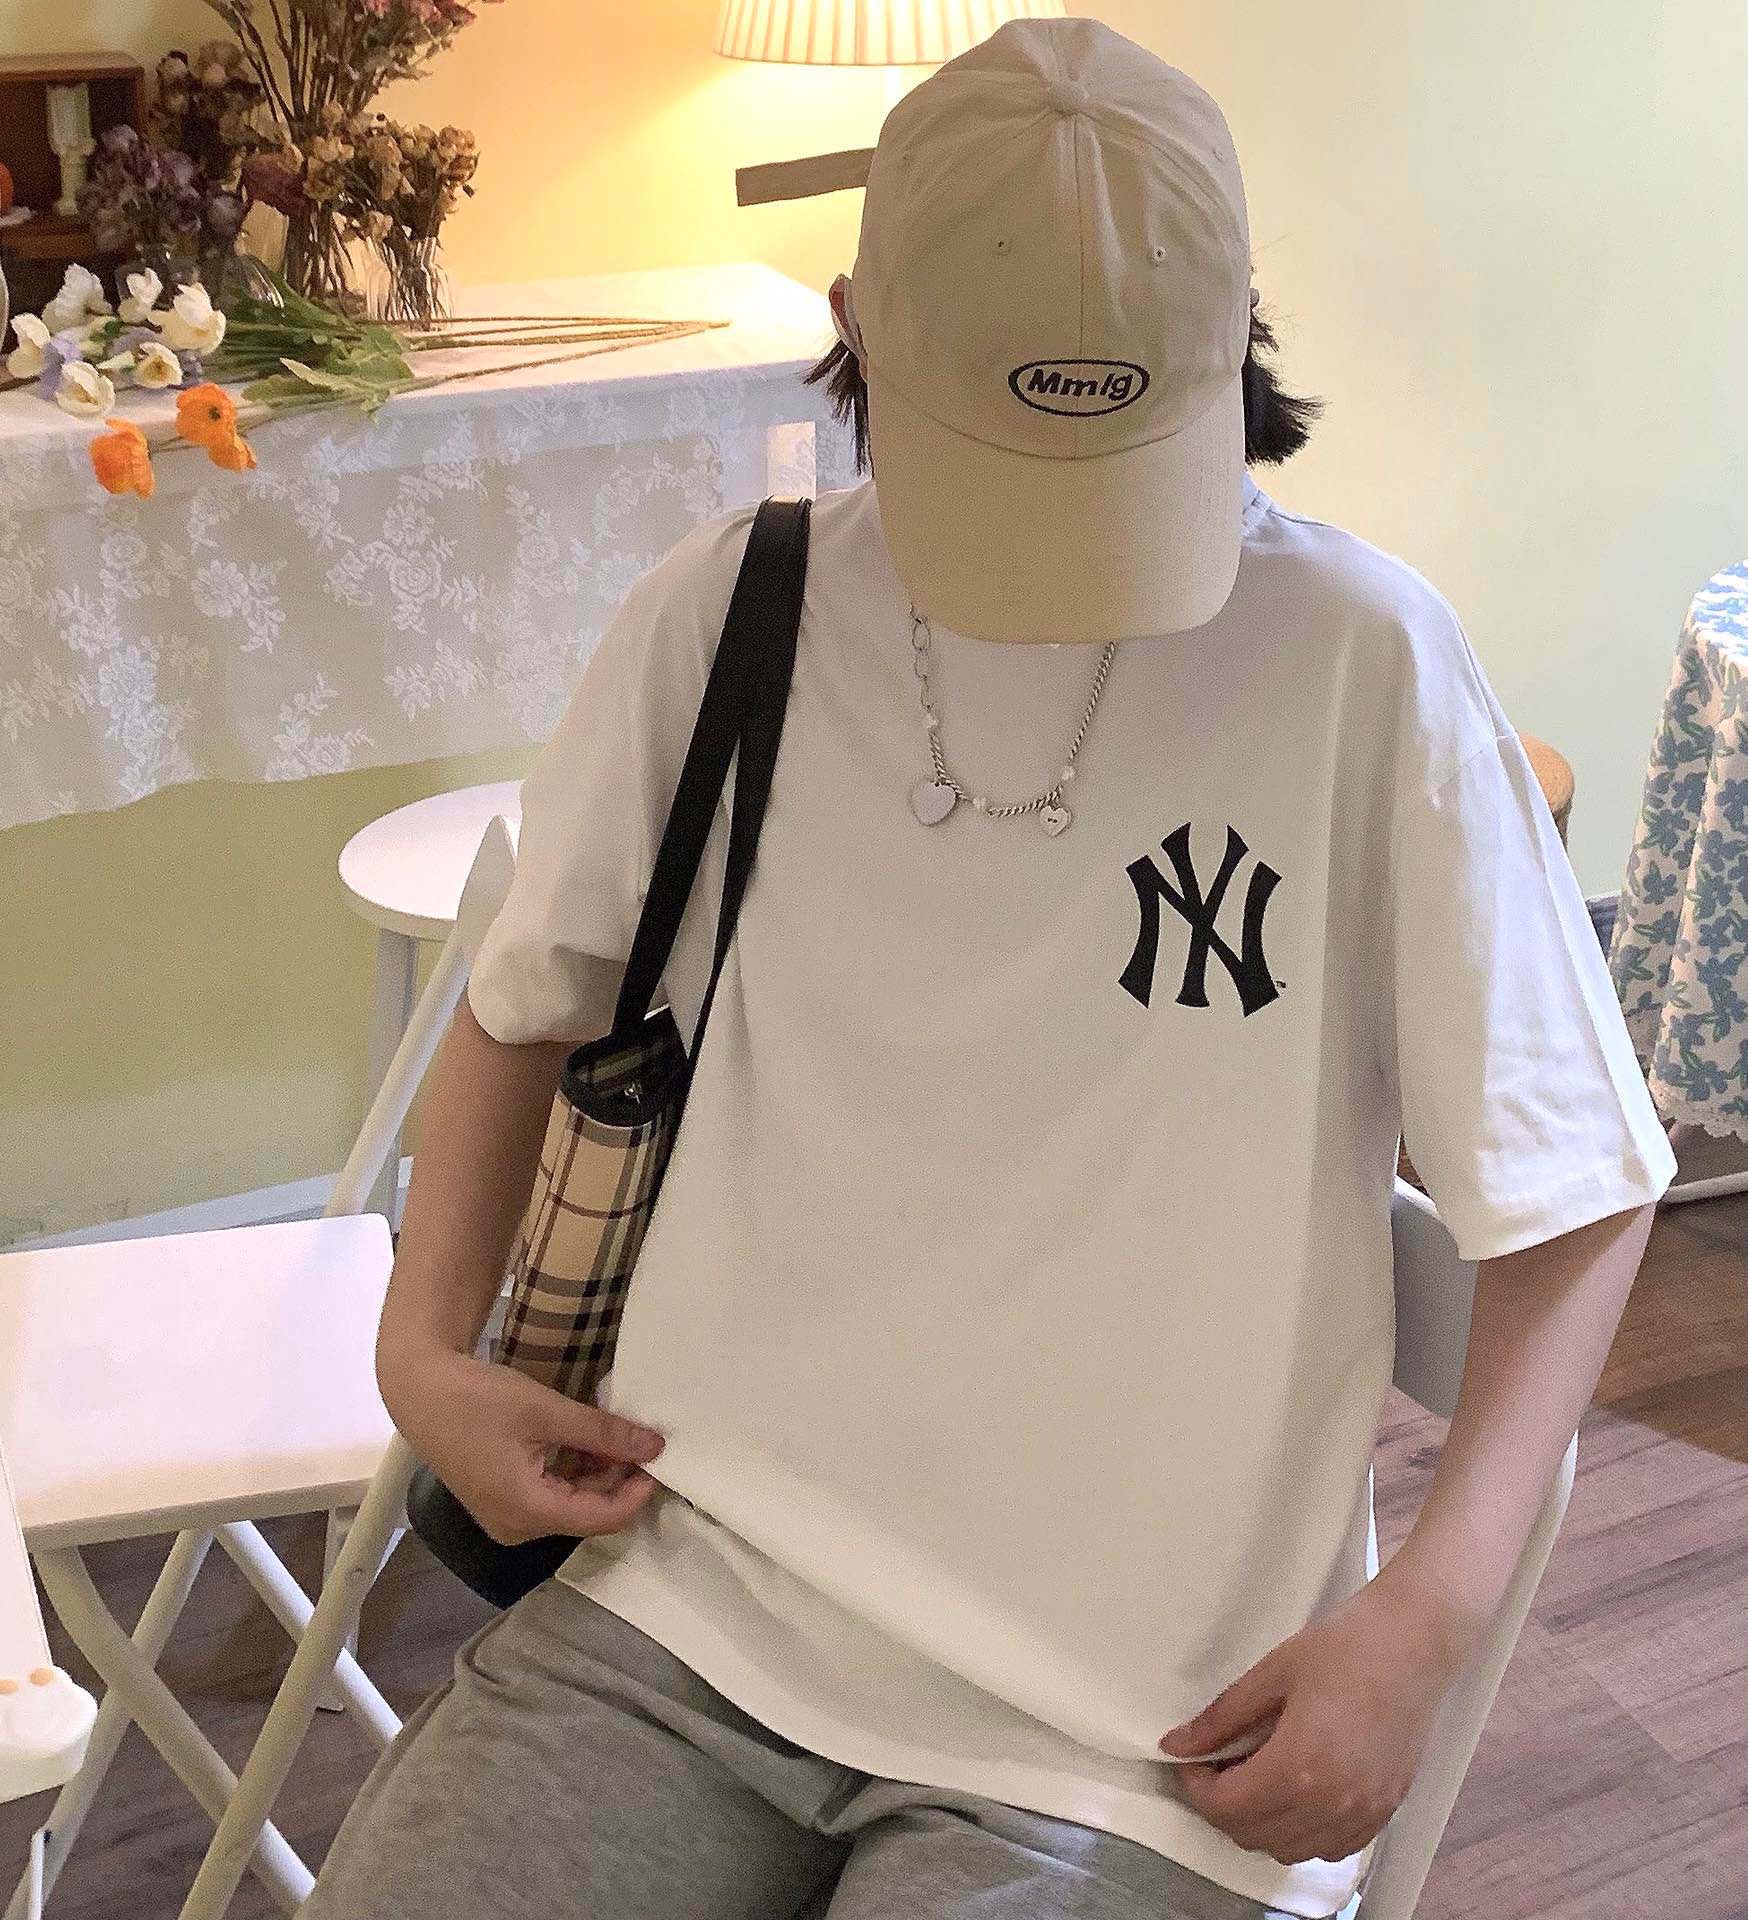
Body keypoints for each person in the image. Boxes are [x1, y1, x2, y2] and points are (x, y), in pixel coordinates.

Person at [302, 18, 1676, 1920]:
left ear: (1236, 331)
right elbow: (525, 1002)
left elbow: (1576, 1183)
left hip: (1142, 1731)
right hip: (689, 1606)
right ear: (854, 327)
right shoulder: (729, 617)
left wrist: (1427, 1619)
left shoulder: (1364, 666)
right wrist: (420, 1352)